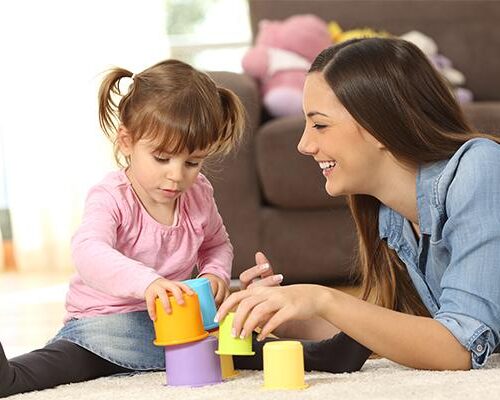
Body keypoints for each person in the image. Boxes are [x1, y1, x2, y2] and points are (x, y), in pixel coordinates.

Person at [217, 37, 500, 371]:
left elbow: (459, 349)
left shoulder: (481, 167)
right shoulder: (390, 213)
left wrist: (323, 297)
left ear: (380, 125)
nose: (304, 144)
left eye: (320, 124)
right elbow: (388, 328)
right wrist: (282, 312)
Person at [0, 59, 245, 397]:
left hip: (175, 325)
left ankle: (314, 351)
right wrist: (149, 283)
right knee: (35, 372)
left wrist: (215, 274)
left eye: (192, 162)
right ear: (126, 141)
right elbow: (88, 252)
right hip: (103, 326)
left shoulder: (199, 193)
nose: (177, 175)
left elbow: (216, 244)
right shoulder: (112, 196)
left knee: (243, 340)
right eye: (162, 158)